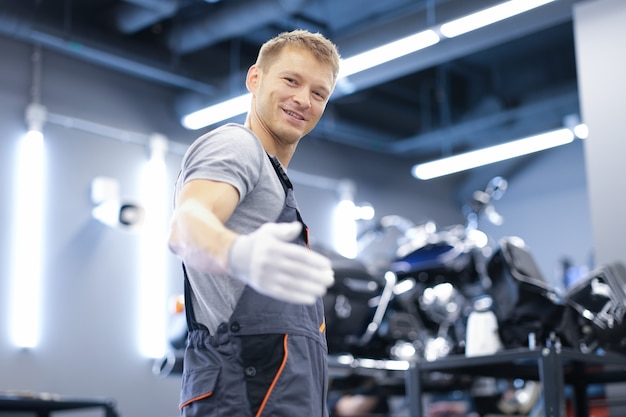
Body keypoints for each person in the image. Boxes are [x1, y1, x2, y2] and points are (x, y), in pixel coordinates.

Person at [167, 29, 341, 417]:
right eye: (291, 80)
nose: (303, 100)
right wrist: (237, 253)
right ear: (255, 79)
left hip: (282, 392)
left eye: (319, 93)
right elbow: (187, 224)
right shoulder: (237, 145)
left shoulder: (275, 181)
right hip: (243, 391)